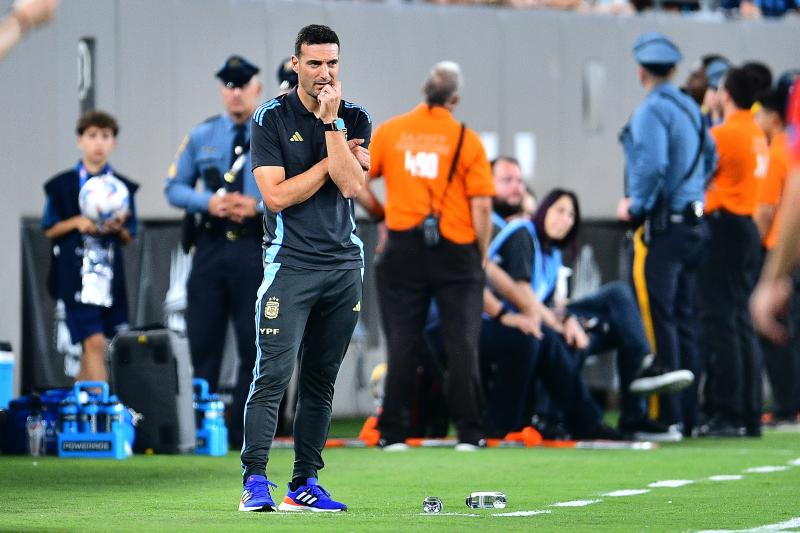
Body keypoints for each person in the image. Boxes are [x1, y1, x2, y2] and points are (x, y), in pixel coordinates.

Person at [238, 24, 371, 513]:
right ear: (295, 64)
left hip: (343, 265)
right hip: (290, 264)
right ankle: (254, 480)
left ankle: (304, 483)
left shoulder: (355, 117)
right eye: (314, 63)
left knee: (321, 379)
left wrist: (333, 127)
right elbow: (275, 195)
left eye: (332, 63)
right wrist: (331, 165)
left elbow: (354, 187)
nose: (324, 73)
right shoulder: (270, 118)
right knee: (271, 375)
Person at [359, 61, 495, 452]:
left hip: (403, 248)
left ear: (423, 90)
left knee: (402, 342)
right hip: (456, 251)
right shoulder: (466, 139)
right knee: (462, 343)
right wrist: (480, 254)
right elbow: (482, 206)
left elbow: (356, 182)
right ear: (455, 98)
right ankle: (469, 433)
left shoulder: (392, 131)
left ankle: (394, 432)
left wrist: (382, 214)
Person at [495, 189, 690, 441]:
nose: (565, 219)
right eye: (560, 210)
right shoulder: (524, 234)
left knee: (616, 315)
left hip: (541, 317)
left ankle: (635, 409)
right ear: (543, 210)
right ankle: (551, 417)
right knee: (583, 324)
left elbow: (547, 303)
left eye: (571, 215)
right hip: (509, 320)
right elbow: (522, 296)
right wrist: (564, 322)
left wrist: (570, 319)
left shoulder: (552, 252)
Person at [617, 32, 716, 436]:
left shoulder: (651, 111)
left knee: (656, 319)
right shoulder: (691, 109)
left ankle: (666, 415)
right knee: (686, 320)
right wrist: (691, 192)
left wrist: (637, 206)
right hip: (695, 225)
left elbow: (652, 165)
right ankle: (689, 416)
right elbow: (711, 157)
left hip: (665, 227)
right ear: (673, 69)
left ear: (640, 71)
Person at [164, 55, 265, 449]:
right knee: (202, 338)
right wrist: (209, 203)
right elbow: (172, 188)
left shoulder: (271, 132)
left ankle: (244, 433)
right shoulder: (202, 134)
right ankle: (197, 431)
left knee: (251, 341)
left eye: (242, 85)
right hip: (210, 246)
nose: (235, 92)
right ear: (222, 90)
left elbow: (294, 188)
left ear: (257, 89)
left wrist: (256, 206)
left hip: (254, 247)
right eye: (228, 85)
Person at [42, 110, 138, 383]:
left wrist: (118, 228)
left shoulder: (123, 189)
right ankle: (103, 417)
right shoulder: (61, 186)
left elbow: (129, 236)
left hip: (109, 279)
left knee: (96, 348)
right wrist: (76, 222)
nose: (98, 143)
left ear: (114, 143)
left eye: (105, 136)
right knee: (93, 342)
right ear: (79, 141)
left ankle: (75, 412)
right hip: (77, 277)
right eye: (92, 136)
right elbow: (49, 228)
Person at [699, 66, 769, 437]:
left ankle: (726, 411)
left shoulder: (722, 134)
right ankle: (749, 412)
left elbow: (697, 172)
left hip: (723, 226)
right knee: (740, 321)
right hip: (747, 228)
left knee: (721, 321)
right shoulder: (757, 132)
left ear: (725, 95)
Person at [752, 81, 800, 424]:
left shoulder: (781, 147)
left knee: (782, 335)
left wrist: (773, 275)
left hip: (783, 251)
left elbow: (774, 206)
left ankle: (788, 406)